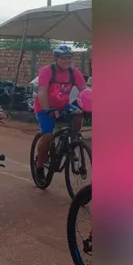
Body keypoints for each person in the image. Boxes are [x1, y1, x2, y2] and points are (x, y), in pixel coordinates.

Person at [34, 45, 87, 182]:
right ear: (56, 58)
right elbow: (42, 92)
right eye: (64, 58)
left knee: (79, 115)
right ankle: (39, 166)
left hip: (63, 105)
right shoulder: (47, 71)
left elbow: (84, 90)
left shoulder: (74, 72)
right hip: (44, 107)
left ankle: (72, 143)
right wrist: (47, 108)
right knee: (47, 135)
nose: (68, 61)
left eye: (70, 58)